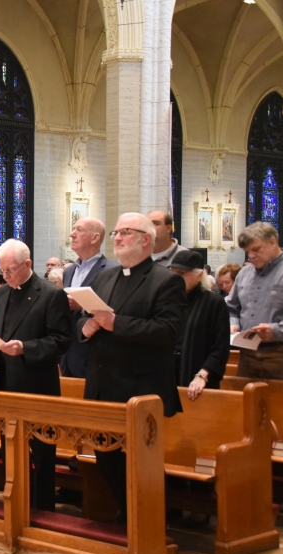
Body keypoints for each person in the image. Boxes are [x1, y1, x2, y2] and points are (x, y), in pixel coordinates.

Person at [78, 213, 186, 522]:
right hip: (102, 387)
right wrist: (84, 328)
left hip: (140, 389)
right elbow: (87, 319)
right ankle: (126, 517)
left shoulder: (167, 281)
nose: (117, 237)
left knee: (140, 464)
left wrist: (116, 324)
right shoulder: (105, 277)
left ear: (146, 240)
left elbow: (168, 332)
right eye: (116, 232)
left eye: (126, 232)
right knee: (106, 461)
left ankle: (147, 523)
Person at [0, 239, 71, 510]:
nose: (7, 276)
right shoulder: (0, 295)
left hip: (37, 385)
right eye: (3, 271)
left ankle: (43, 507)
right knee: (11, 449)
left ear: (28, 264)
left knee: (42, 453)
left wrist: (25, 348)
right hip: (5, 383)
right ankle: (17, 501)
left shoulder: (50, 294)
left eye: (11, 270)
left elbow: (61, 340)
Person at [227, 222, 283, 381]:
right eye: (247, 251)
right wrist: (233, 323)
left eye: (256, 249)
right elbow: (232, 308)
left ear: (273, 242)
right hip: (247, 354)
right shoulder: (244, 273)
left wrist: (276, 330)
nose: (251, 255)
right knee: (244, 403)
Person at [168, 251, 230, 400]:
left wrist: (203, 374)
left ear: (198, 275)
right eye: (173, 273)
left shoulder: (213, 302)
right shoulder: (168, 300)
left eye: (181, 273)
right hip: (168, 374)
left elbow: (220, 347)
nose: (175, 278)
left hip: (199, 375)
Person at [60, 217, 117, 378]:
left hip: (93, 353)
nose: (72, 234)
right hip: (68, 354)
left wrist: (83, 306)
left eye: (79, 230)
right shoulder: (68, 271)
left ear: (95, 237)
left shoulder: (112, 270)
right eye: (73, 229)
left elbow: (116, 306)